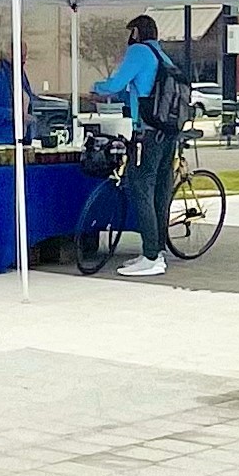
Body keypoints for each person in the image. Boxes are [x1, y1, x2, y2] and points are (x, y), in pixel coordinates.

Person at [91, 14, 177, 278]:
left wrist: (96, 88)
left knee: (141, 189)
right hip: (167, 133)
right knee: (160, 192)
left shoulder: (139, 52)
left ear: (137, 32)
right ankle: (156, 250)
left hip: (147, 133)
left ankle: (151, 257)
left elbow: (116, 83)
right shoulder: (163, 56)